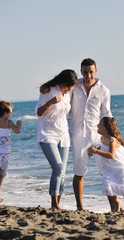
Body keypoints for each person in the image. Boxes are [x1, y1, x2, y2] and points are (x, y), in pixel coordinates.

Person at [40, 58, 112, 210]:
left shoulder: (104, 90)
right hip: (78, 135)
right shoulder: (74, 87)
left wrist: (113, 135)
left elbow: (107, 113)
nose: (88, 75)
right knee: (79, 172)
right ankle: (80, 206)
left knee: (108, 169)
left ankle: (115, 205)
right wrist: (45, 88)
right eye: (85, 72)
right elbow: (60, 90)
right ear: (81, 72)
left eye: (91, 72)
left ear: (96, 71)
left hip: (97, 135)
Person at [35, 69, 78, 209]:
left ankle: (58, 203)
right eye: (68, 87)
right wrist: (49, 103)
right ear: (63, 83)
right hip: (47, 134)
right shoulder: (48, 90)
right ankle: (54, 204)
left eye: (71, 88)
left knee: (63, 171)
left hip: (63, 134)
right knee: (58, 167)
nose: (69, 90)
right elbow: (38, 113)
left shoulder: (68, 94)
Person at [87, 117, 124, 214]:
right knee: (108, 188)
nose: (97, 126)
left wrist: (96, 151)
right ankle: (115, 209)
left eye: (100, 124)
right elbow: (103, 147)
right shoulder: (102, 138)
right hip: (108, 168)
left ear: (106, 128)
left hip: (119, 168)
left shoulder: (112, 140)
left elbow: (111, 155)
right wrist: (94, 151)